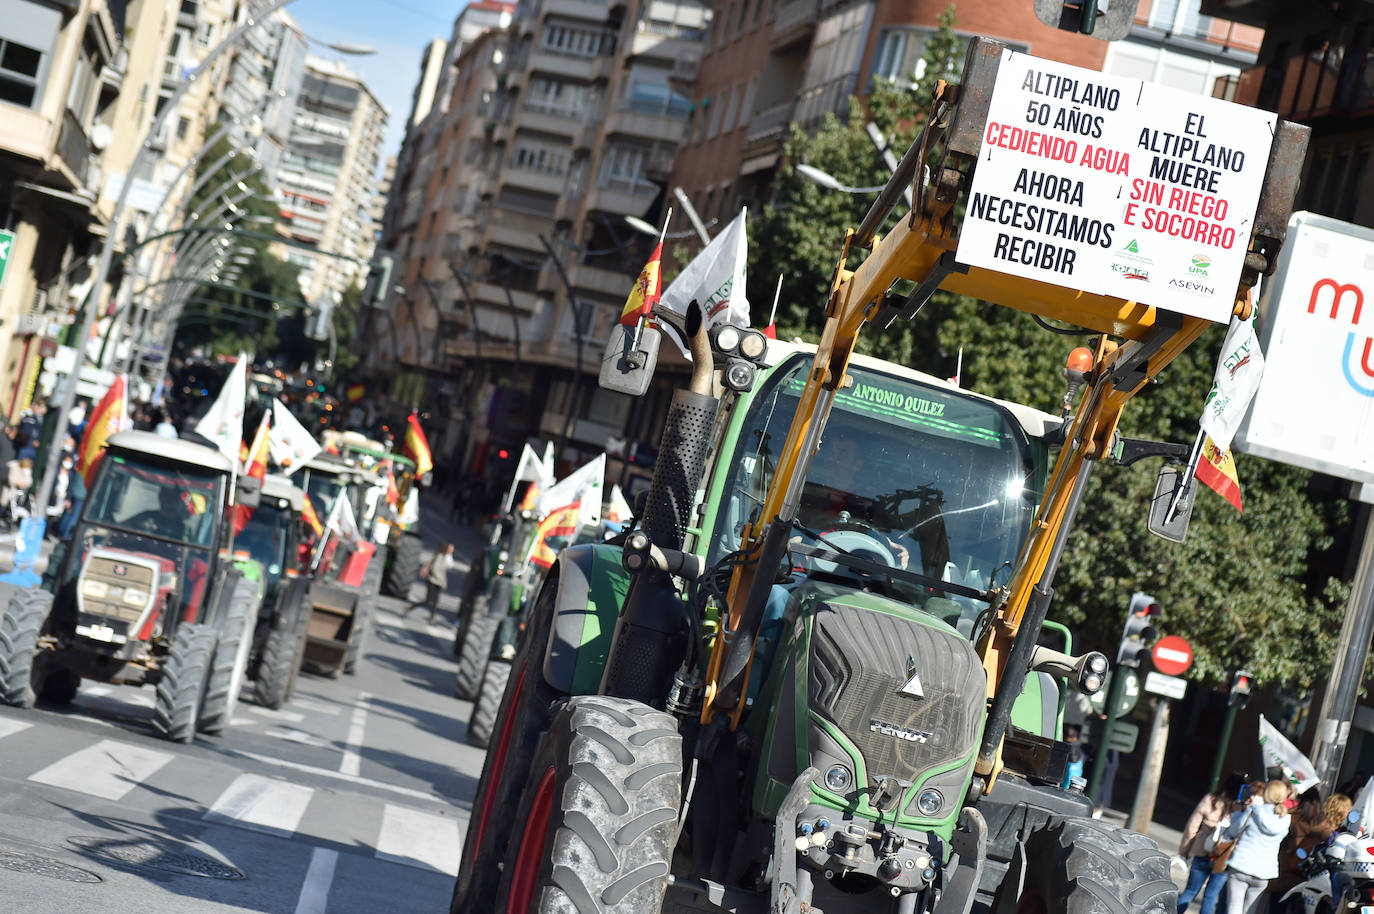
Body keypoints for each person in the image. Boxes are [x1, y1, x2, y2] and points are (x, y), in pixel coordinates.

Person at [1177, 773, 1248, 914]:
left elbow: (1192, 827)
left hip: (1202, 850)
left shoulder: (1210, 799)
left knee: (1190, 892)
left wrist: (1184, 851)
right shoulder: (1243, 809)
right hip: (1223, 856)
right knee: (1210, 897)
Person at [1222, 779, 1294, 914]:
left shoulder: (1254, 811)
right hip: (1264, 871)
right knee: (1251, 910)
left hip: (1241, 865)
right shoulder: (1285, 820)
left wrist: (1241, 812)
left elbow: (1233, 831)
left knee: (1234, 907)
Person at [126, 487, 192, 541]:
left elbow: (184, 551)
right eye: (165, 494)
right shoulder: (146, 516)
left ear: (182, 500)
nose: (168, 500)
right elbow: (123, 527)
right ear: (160, 495)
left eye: (173, 496)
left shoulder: (184, 528)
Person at [409, 541, 454, 622]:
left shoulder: (446, 557)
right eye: (450, 548)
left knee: (435, 601)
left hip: (439, 582)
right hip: (432, 580)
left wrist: (449, 555)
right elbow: (435, 568)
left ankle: (431, 617)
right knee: (428, 600)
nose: (452, 550)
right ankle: (412, 607)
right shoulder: (439, 556)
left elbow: (450, 565)